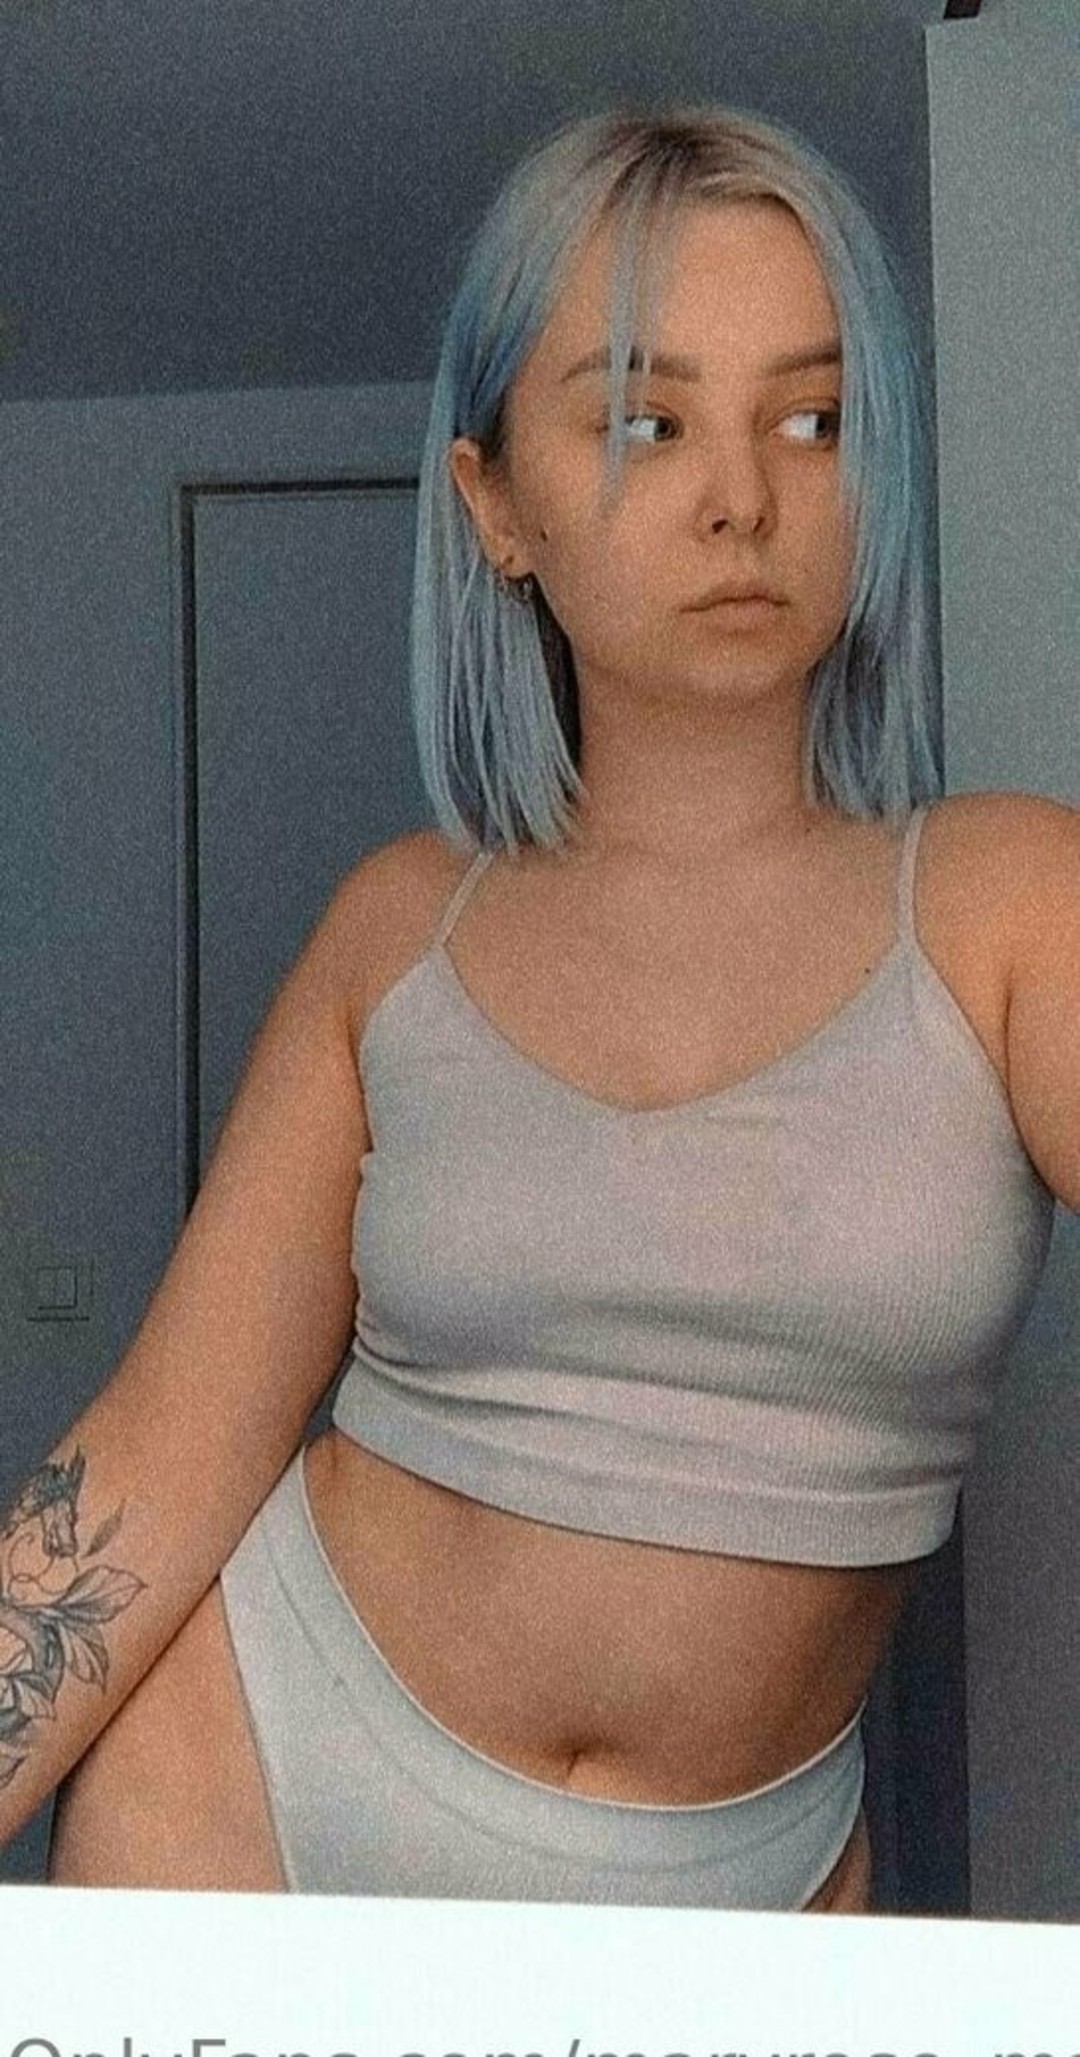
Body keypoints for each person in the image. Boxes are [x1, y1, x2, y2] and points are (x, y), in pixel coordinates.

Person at [3, 106, 1075, 1912]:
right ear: (495, 501)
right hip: (254, 1784)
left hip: (742, 1881)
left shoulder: (1011, 906)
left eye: (814, 418)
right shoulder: (397, 930)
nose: (742, 495)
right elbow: (157, 1461)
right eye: (647, 421)